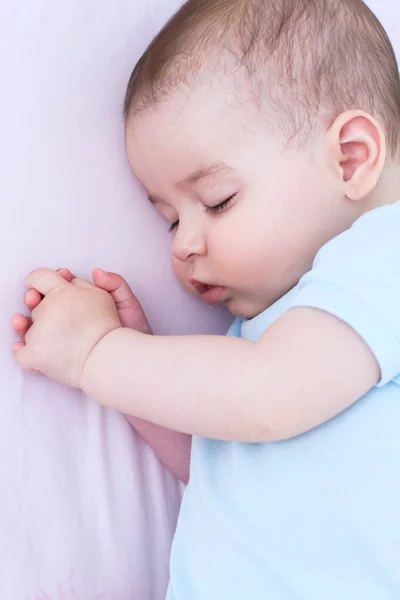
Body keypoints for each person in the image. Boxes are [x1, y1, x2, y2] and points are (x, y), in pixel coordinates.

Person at [11, 0, 400, 598]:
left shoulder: (384, 258)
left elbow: (266, 398)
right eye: (169, 220)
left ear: (351, 157)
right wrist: (141, 377)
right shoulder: (277, 328)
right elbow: (222, 465)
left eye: (217, 200)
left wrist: (98, 354)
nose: (186, 245)